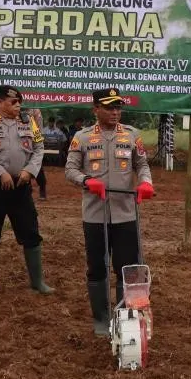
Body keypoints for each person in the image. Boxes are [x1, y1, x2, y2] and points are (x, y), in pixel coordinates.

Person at [65, 87, 155, 336]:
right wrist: (86, 181)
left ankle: (125, 314)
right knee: (97, 266)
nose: (115, 112)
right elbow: (69, 170)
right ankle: (101, 318)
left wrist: (146, 182)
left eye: (118, 107)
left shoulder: (131, 135)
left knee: (127, 267)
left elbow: (142, 164)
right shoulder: (81, 138)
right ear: (96, 109)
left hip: (126, 213)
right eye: (109, 107)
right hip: (95, 215)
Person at [0, 87, 53, 294]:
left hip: (21, 187)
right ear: (0, 102)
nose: (18, 105)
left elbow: (39, 148)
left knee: (31, 233)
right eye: (13, 102)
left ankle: (37, 282)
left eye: (19, 101)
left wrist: (30, 171)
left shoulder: (29, 122)